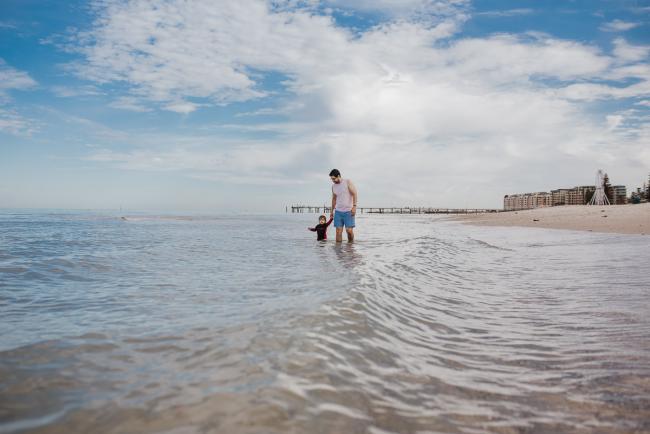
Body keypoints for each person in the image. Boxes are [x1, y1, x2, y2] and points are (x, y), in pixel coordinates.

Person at [329, 169, 358, 242]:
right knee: (338, 232)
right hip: (338, 211)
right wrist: (331, 212)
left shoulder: (347, 182)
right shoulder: (333, 186)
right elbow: (334, 199)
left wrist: (354, 206)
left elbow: (355, 193)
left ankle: (350, 246)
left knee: (349, 230)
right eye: (331, 179)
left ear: (338, 176)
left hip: (348, 211)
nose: (333, 180)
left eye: (334, 178)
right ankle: (338, 252)